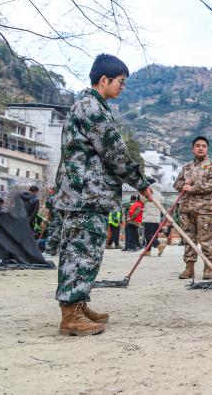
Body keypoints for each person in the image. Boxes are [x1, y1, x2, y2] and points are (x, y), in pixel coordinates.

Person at [52, 53, 153, 336]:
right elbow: (115, 152)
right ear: (104, 80)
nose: (123, 87)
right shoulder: (92, 108)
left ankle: (79, 304)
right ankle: (70, 315)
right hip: (85, 195)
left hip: (87, 194)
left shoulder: (91, 106)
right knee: (81, 253)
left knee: (86, 251)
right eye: (121, 81)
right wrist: (141, 182)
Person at [173, 136, 212, 280]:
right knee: (188, 239)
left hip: (204, 209)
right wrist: (184, 185)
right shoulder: (186, 166)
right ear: (193, 148)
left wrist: (193, 188)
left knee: (206, 239)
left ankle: (208, 266)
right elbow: (176, 184)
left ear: (207, 149)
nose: (200, 148)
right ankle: (189, 267)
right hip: (186, 208)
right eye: (198, 146)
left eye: (204, 146)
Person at [141, 183, 164, 256]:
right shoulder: (159, 193)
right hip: (156, 218)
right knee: (151, 235)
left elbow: (142, 199)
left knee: (147, 235)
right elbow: (162, 202)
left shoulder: (148, 190)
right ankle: (147, 251)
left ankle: (159, 245)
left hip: (149, 217)